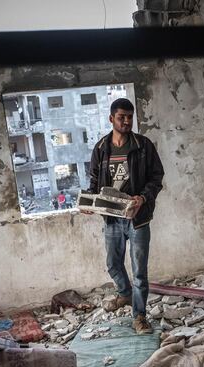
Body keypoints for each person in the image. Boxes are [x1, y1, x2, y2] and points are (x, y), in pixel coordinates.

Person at [80, 98, 164, 334]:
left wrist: (143, 199)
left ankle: (139, 317)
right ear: (111, 119)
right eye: (121, 117)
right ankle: (125, 294)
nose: (127, 121)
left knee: (139, 272)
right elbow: (95, 184)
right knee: (113, 264)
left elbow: (156, 178)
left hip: (137, 219)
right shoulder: (100, 148)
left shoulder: (143, 145)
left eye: (129, 116)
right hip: (112, 219)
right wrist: (90, 203)